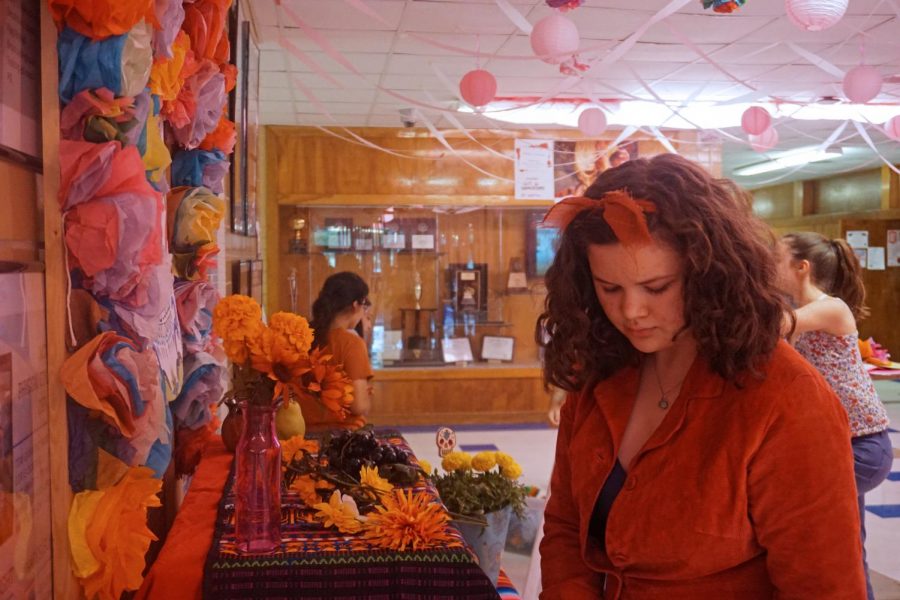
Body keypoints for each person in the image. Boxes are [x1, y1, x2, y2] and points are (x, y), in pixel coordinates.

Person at [536, 154, 866, 598]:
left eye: (657, 288)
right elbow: (565, 527)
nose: (631, 312)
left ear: (710, 274)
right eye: (609, 288)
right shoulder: (604, 366)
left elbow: (824, 587)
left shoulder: (787, 398)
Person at [776, 232, 891, 600]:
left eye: (776, 259)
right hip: (836, 442)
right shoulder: (801, 315)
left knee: (808, 523)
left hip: (862, 447)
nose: (769, 267)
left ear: (801, 268)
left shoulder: (831, 308)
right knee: (849, 544)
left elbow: (776, 326)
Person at [302, 271, 373, 431]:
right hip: (343, 436)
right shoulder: (351, 343)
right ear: (356, 305)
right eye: (365, 306)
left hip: (301, 431)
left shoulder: (302, 335)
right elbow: (358, 406)